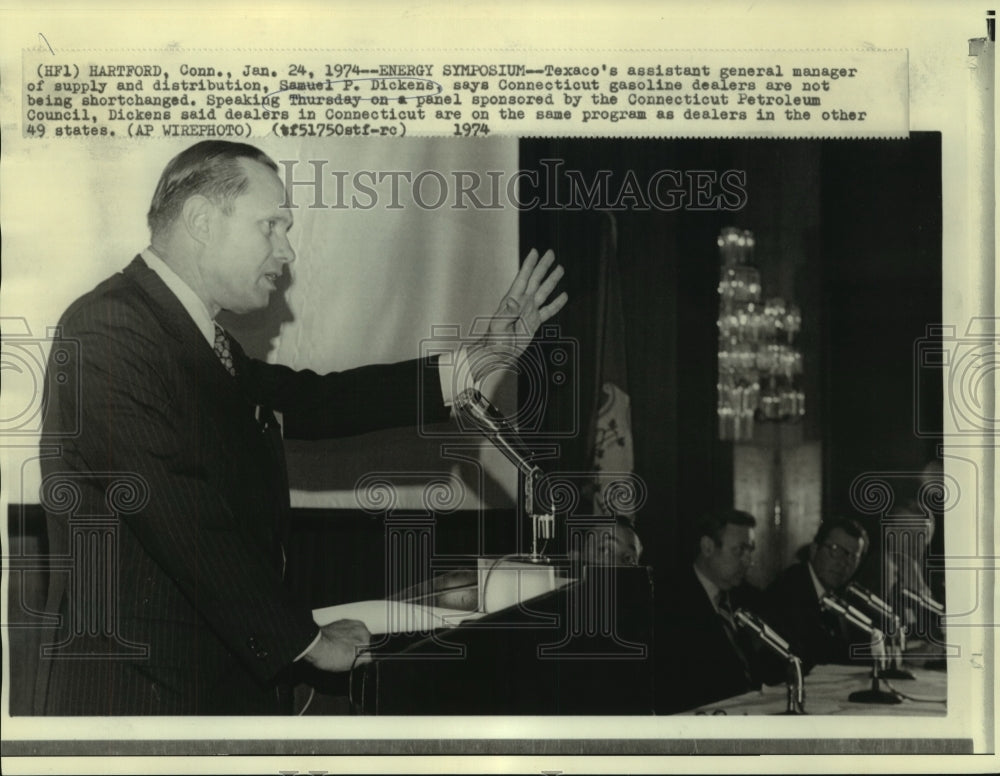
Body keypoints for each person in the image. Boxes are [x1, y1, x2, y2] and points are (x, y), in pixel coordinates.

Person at [35, 140, 567, 715]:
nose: (286, 251)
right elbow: (185, 519)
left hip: (198, 689)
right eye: (271, 225)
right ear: (201, 221)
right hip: (140, 704)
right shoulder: (110, 329)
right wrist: (307, 642)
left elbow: (316, 401)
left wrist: (475, 360)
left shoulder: (197, 340)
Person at [656, 509, 781, 714]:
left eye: (750, 551)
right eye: (739, 550)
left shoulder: (751, 598)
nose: (748, 561)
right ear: (707, 547)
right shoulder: (669, 601)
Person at [761, 517, 881, 672]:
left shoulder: (844, 594)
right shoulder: (790, 587)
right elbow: (818, 654)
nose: (843, 563)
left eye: (853, 557)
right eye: (835, 550)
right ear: (814, 550)